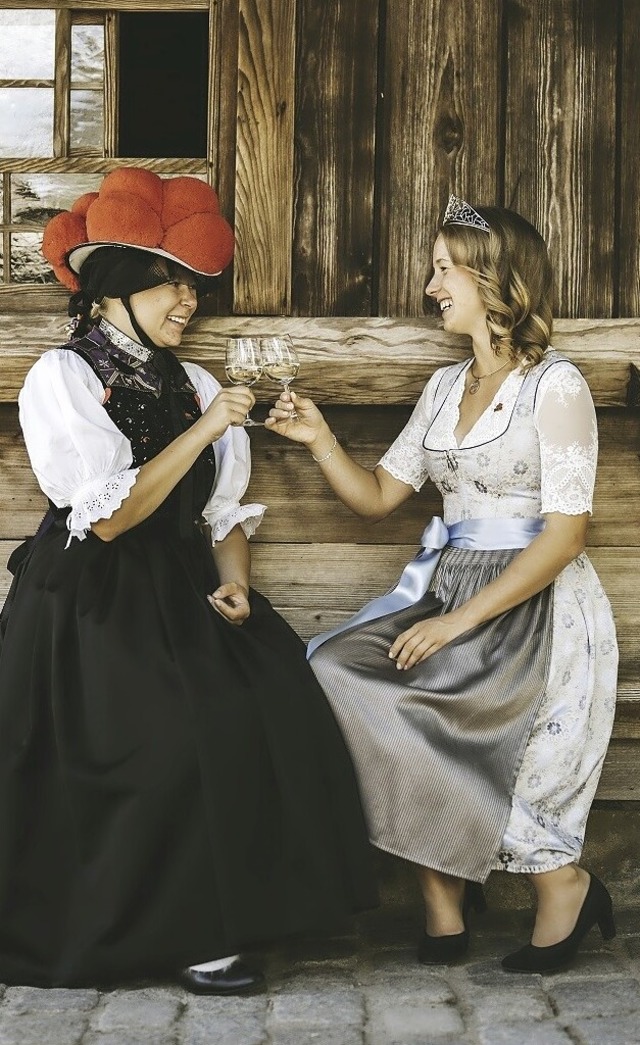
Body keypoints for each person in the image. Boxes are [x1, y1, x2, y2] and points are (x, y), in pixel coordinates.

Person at [0, 168, 377, 992]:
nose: (187, 302)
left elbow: (223, 512)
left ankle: (242, 910)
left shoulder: (198, 382)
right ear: (114, 290)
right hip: (92, 601)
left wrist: (235, 581)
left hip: (182, 589)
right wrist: (206, 427)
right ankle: (188, 932)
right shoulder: (60, 381)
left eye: (193, 287)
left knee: (276, 699)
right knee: (167, 737)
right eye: (170, 284)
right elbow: (107, 518)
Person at [265, 195, 619, 973]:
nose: (431, 287)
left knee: (452, 713)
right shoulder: (441, 387)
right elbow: (376, 499)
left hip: (532, 601)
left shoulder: (553, 387)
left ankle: (564, 884)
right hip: (449, 583)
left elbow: (565, 536)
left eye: (442, 269)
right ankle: (441, 892)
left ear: (493, 280)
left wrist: (456, 627)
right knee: (338, 671)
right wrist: (320, 437)